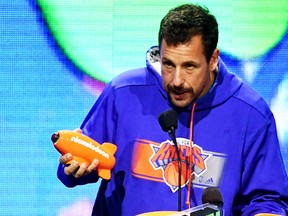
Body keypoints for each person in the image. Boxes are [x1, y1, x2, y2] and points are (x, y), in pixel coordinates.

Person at [57, 3, 288, 216]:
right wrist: (75, 169)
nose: (177, 80)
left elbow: (268, 199)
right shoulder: (124, 93)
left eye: (189, 66)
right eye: (169, 64)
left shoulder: (250, 114)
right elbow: (79, 163)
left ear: (213, 59)